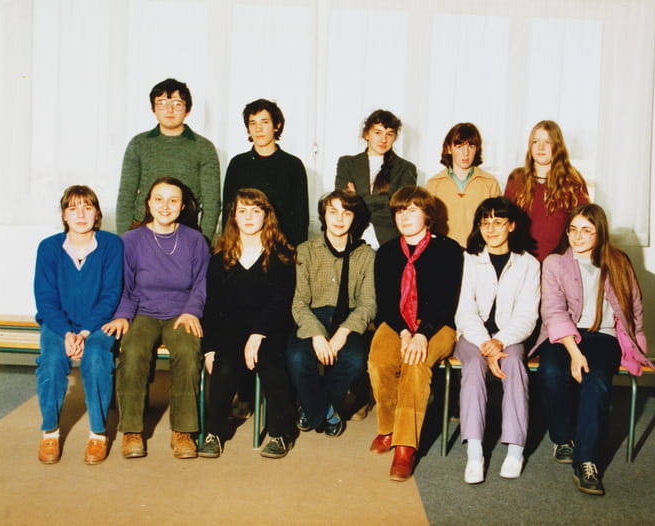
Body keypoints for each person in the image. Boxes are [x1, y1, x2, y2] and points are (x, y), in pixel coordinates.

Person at [533, 204, 655, 496]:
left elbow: (635, 306)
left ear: (600, 233)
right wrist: (575, 353)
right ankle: (562, 437)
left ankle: (586, 461)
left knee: (596, 380)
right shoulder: (554, 263)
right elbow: (553, 311)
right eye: (573, 230)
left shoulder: (619, 261)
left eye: (587, 231)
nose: (578, 237)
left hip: (603, 336)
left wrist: (638, 345)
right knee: (550, 371)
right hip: (564, 334)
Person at [103, 177, 210, 460]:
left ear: (182, 206)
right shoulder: (131, 240)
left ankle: (183, 431)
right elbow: (123, 285)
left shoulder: (195, 240)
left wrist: (192, 311)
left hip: (181, 312)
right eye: (159, 199)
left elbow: (201, 284)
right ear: (149, 204)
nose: (165, 206)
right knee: (133, 351)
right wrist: (123, 316)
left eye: (173, 201)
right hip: (142, 311)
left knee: (188, 351)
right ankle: (131, 430)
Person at [368, 186, 463, 481]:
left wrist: (421, 333)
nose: (404, 217)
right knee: (380, 360)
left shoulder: (448, 250)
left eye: (411, 210)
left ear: (427, 214)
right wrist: (403, 332)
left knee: (415, 363)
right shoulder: (386, 253)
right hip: (398, 322)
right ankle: (389, 428)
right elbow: (386, 302)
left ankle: (405, 446)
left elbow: (446, 301)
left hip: (437, 325)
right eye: (399, 211)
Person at [198, 189, 297, 459]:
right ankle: (214, 433)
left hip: (270, 328)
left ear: (266, 215)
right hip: (231, 329)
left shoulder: (281, 255)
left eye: (255, 211)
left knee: (271, 364)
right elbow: (212, 307)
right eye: (242, 211)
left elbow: (280, 302)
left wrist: (258, 333)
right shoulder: (220, 258)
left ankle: (280, 433)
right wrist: (209, 348)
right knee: (223, 365)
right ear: (234, 217)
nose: (249, 217)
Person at [34, 186, 123, 465]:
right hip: (59, 324)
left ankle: (98, 434)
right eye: (73, 208)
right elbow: (45, 299)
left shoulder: (111, 245)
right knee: (50, 362)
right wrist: (67, 333)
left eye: (87, 207)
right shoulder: (48, 247)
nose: (81, 214)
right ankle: (50, 431)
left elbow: (111, 294)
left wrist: (84, 333)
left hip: (97, 323)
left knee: (96, 358)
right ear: (64, 215)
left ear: (97, 213)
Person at [454, 197, 539, 483]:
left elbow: (527, 316)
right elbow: (464, 311)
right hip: (473, 335)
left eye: (498, 222)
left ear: (511, 226)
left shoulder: (529, 264)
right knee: (473, 367)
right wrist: (485, 344)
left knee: (514, 364)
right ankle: (475, 453)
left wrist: (500, 342)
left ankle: (515, 450)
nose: (491, 229)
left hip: (509, 337)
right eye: (485, 223)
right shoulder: (468, 259)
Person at [286, 190, 376, 438]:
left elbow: (368, 303)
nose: (339, 219)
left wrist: (343, 333)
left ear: (354, 218)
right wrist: (316, 335)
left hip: (348, 319)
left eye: (346, 213)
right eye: (333, 212)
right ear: (323, 216)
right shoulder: (305, 251)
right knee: (297, 357)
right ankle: (326, 411)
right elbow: (298, 302)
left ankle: (311, 407)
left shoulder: (366, 255)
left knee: (355, 359)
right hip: (311, 317)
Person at [116, 78, 221, 241]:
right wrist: (124, 240)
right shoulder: (138, 144)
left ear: (187, 110)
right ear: (153, 109)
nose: (170, 110)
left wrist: (203, 242)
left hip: (186, 232)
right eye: (162, 103)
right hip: (142, 230)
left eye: (177, 104)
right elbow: (126, 196)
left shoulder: (204, 147)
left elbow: (212, 203)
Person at [221, 98, 309, 247]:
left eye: (265, 122)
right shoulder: (238, 164)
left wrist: (297, 253)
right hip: (244, 246)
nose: (258, 129)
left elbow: (301, 218)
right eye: (253, 123)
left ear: (277, 125)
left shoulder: (293, 165)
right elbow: (228, 213)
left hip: (281, 247)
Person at [504, 120, 589, 261]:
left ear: (557, 146)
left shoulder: (572, 181)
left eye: (547, 142)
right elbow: (505, 222)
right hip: (521, 260)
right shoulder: (516, 179)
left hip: (560, 261)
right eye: (535, 142)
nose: (541, 147)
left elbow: (583, 224)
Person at [335, 109, 418, 249]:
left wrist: (358, 198)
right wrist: (385, 200)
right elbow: (343, 203)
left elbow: (400, 208)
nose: (383, 140)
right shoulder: (347, 164)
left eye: (389, 134)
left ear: (395, 137)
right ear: (366, 134)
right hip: (352, 237)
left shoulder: (405, 168)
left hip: (389, 241)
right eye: (378, 133)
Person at [425, 123, 501, 247]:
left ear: (477, 149)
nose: (466, 153)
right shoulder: (434, 184)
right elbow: (427, 226)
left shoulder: (490, 183)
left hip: (480, 250)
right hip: (443, 251)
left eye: (471, 146)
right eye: (459, 146)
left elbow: (499, 224)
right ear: (449, 149)